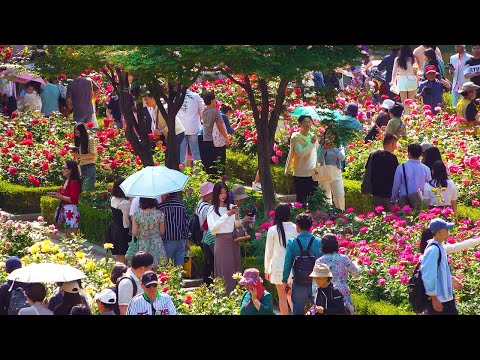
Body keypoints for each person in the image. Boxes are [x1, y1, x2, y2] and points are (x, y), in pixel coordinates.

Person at [282, 213, 322, 315]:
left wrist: (284, 280)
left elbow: (288, 263)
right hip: (316, 281)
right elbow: (322, 262)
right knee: (318, 310)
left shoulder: (292, 242)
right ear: (310, 226)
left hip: (299, 282)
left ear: (297, 225)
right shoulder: (318, 241)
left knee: (298, 311)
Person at [207, 182, 242, 295]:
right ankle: (224, 295)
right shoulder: (212, 209)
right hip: (221, 241)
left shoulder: (232, 207)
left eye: (225, 193)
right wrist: (227, 215)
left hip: (233, 240)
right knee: (224, 269)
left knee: (235, 267)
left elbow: (237, 225)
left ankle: (236, 294)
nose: (223, 195)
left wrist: (236, 215)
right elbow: (213, 229)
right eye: (221, 193)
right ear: (216, 194)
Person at [264, 203, 297, 315]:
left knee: (282, 298)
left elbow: (269, 251)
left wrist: (267, 269)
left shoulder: (272, 230)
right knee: (291, 296)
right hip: (293, 267)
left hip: (278, 268)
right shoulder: (295, 228)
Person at [315, 234, 360, 314]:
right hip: (343, 290)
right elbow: (356, 273)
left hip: (327, 293)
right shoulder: (344, 258)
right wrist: (357, 264)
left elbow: (316, 281)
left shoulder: (320, 261)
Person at [420, 218, 457, 315]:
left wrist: (451, 279)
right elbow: (428, 275)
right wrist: (434, 298)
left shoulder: (439, 246)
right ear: (439, 232)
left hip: (446, 298)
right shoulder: (433, 249)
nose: (448, 231)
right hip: (439, 300)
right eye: (446, 229)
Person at [284, 115, 318, 207]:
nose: (308, 124)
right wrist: (311, 143)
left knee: (314, 202)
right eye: (305, 122)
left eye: (309, 122)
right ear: (300, 124)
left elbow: (316, 154)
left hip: (312, 174)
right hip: (300, 174)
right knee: (300, 202)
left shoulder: (313, 136)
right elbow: (301, 153)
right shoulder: (296, 138)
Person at [362, 134, 399, 211]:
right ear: (392, 144)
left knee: (377, 217)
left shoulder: (373, 155)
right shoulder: (393, 158)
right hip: (388, 194)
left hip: (375, 193)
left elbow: (368, 171)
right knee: (390, 219)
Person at [391, 144, 431, 209]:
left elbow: (396, 185)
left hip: (405, 200)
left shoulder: (401, 167)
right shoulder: (426, 169)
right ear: (421, 154)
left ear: (409, 153)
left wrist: (393, 200)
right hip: (420, 200)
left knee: (405, 217)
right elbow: (428, 186)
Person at [48, 160, 82, 238]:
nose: (62, 170)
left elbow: (74, 200)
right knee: (67, 235)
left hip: (71, 211)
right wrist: (56, 195)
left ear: (70, 170)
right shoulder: (66, 181)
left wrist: (60, 196)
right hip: (66, 210)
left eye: (64, 168)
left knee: (71, 236)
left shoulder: (73, 182)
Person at [157, 192, 190, 268]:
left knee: (166, 268)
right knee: (179, 268)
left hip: (166, 241)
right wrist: (187, 241)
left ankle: (168, 280)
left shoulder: (161, 207)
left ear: (166, 194)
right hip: (180, 240)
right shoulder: (182, 206)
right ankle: (178, 280)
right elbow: (186, 224)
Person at [132, 197, 166, 269]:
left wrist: (141, 232)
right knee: (157, 268)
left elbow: (134, 232)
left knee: (143, 267)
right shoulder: (159, 214)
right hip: (157, 243)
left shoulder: (137, 214)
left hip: (143, 243)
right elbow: (162, 231)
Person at [201, 92, 229, 175]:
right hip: (216, 141)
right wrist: (226, 138)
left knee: (209, 163)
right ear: (212, 100)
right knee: (219, 162)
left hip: (206, 139)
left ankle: (210, 181)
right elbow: (220, 126)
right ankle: (219, 180)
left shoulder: (204, 112)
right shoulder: (215, 112)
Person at [316, 130, 345, 210]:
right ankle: (326, 216)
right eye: (328, 134)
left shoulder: (339, 146)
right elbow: (319, 160)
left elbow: (342, 157)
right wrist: (324, 149)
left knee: (339, 195)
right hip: (324, 173)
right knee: (325, 197)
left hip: (336, 172)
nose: (330, 136)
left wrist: (334, 149)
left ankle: (340, 213)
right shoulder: (321, 146)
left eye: (332, 134)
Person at [117, 251, 154, 315]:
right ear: (142, 268)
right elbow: (124, 311)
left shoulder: (139, 279)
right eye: (149, 268)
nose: (151, 271)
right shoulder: (127, 283)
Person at [177, 88, 204, 167]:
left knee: (181, 153)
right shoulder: (195, 96)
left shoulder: (176, 97)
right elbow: (202, 111)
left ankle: (182, 172)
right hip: (193, 127)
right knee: (195, 151)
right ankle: (198, 173)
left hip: (180, 128)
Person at [110, 177, 131, 265]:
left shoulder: (113, 199)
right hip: (123, 232)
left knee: (118, 256)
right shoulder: (124, 203)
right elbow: (126, 222)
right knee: (123, 256)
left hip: (115, 229)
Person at [196, 181, 214, 286]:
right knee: (209, 262)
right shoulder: (207, 207)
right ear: (207, 194)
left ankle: (207, 282)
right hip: (207, 236)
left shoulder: (199, 204)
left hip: (202, 235)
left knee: (207, 260)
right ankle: (208, 283)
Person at [73, 122, 97, 190]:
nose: (77, 135)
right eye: (76, 133)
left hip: (89, 167)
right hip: (81, 167)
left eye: (79, 133)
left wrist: (79, 156)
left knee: (87, 190)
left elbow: (93, 155)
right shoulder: (79, 142)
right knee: (82, 190)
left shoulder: (90, 140)